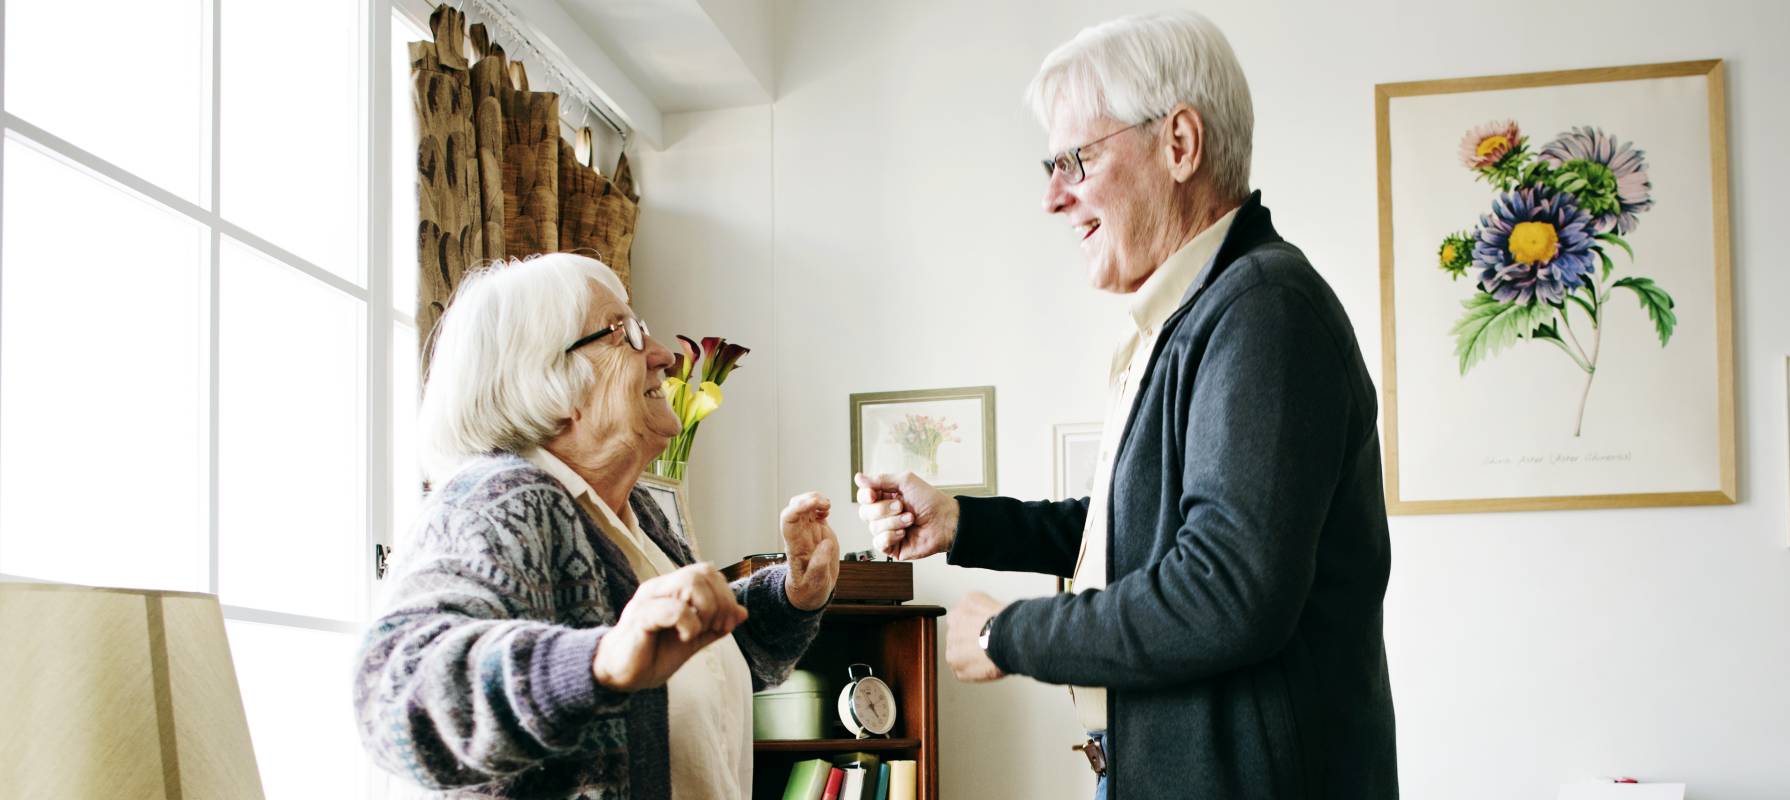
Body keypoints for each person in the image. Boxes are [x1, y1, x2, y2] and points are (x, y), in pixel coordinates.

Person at [855, 10, 1397, 799]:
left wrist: (1009, 635)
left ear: (1179, 144)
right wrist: (965, 523)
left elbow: (1224, 589)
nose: (1052, 197)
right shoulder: (1207, 313)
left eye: (1074, 158)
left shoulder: (1266, 311)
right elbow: (1136, 529)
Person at [355, 253, 841, 799]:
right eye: (624, 334)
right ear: (544, 378)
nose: (663, 356)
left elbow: (694, 675)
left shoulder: (638, 515)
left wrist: (793, 595)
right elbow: (394, 697)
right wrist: (595, 662)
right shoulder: (496, 502)